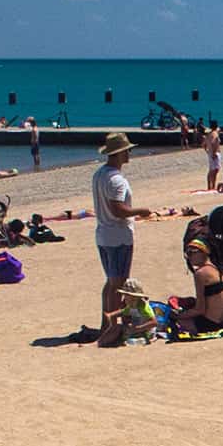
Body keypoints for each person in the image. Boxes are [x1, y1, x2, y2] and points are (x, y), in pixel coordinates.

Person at [93, 132, 148, 347]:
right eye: (127, 150)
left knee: (110, 282)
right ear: (119, 153)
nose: (129, 153)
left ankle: (105, 324)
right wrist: (140, 211)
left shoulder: (99, 174)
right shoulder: (116, 180)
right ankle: (112, 328)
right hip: (118, 235)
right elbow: (118, 209)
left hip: (104, 234)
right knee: (118, 284)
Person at [174, 237, 223, 332]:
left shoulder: (201, 273)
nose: (189, 257)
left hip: (211, 324)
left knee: (175, 322)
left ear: (204, 252)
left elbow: (200, 310)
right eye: (187, 254)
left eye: (191, 253)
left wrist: (177, 316)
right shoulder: (218, 269)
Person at [204, 120, 223, 192]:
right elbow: (214, 143)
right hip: (215, 153)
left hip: (210, 153)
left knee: (211, 170)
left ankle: (209, 186)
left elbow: (204, 144)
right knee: (215, 170)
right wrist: (214, 152)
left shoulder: (209, 134)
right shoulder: (215, 134)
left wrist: (207, 151)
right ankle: (213, 186)